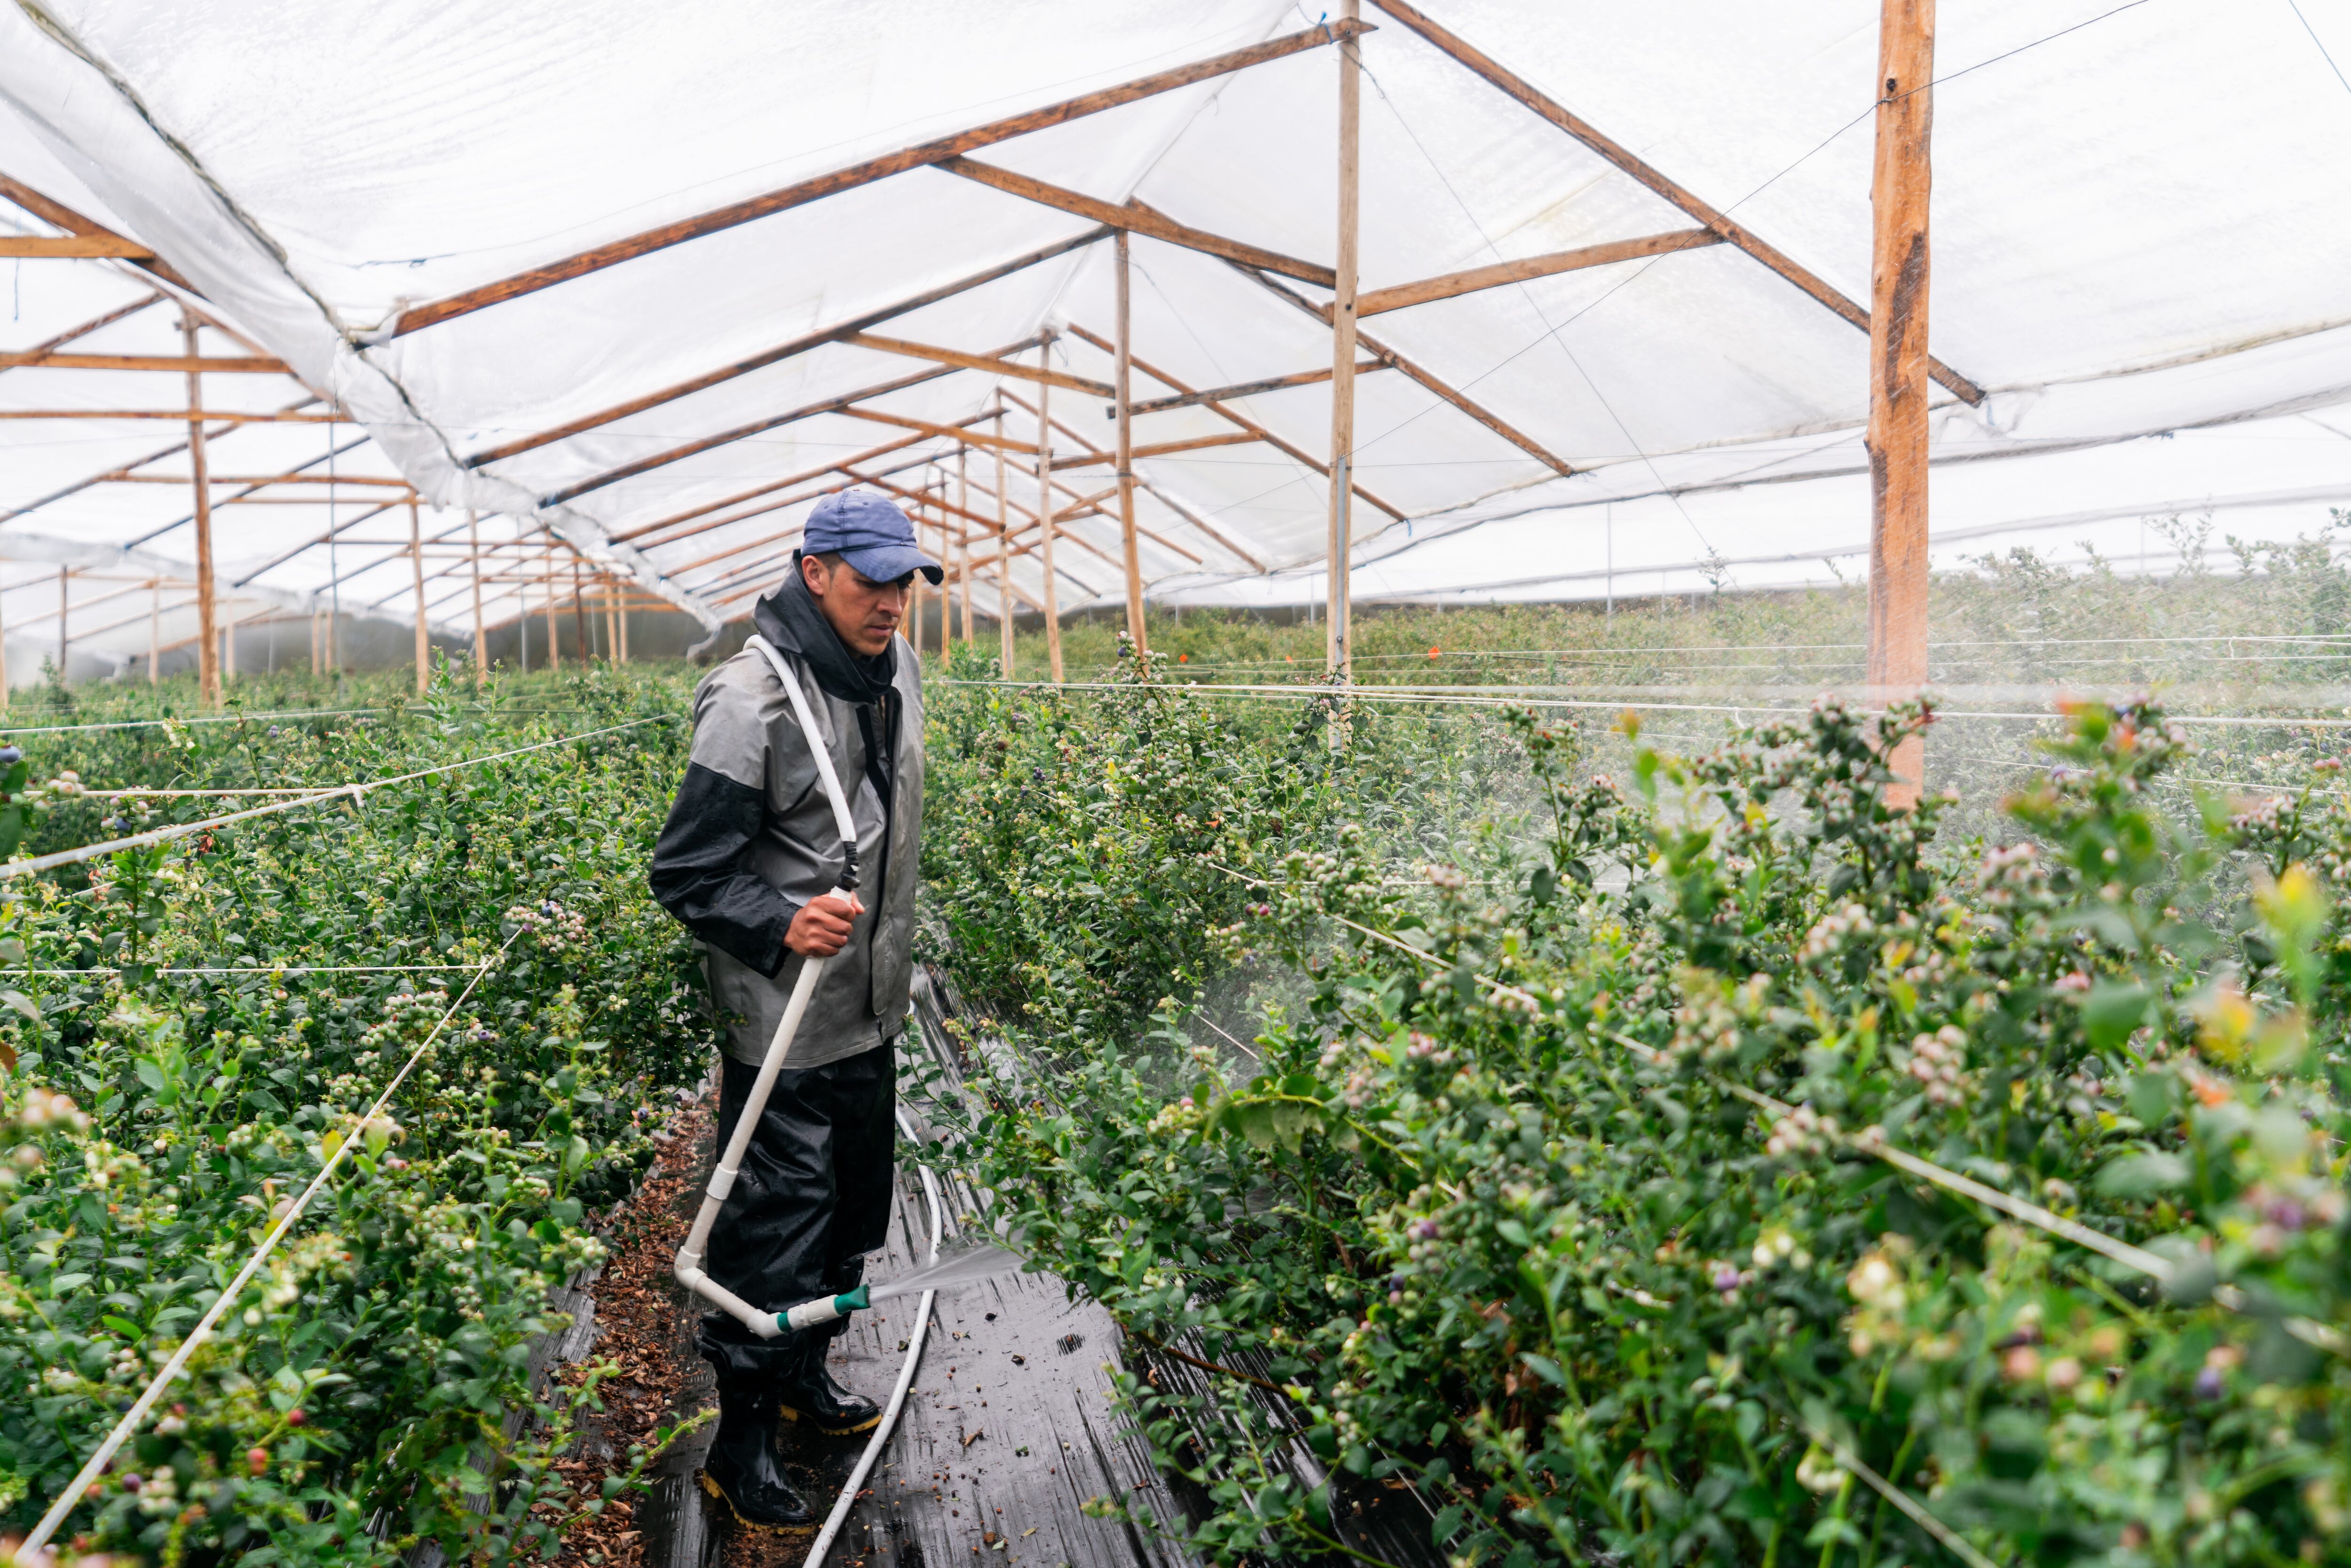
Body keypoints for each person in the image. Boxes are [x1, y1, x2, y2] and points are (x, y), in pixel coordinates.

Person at [648, 489, 937, 1533]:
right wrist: (779, 922)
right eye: (872, 581)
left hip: (870, 1007)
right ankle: (742, 1439)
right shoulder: (749, 701)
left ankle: (809, 1377)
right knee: (773, 1230)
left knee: (852, 1213)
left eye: (905, 581)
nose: (893, 602)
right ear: (814, 571)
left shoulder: (895, 670)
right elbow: (686, 872)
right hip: (785, 1024)